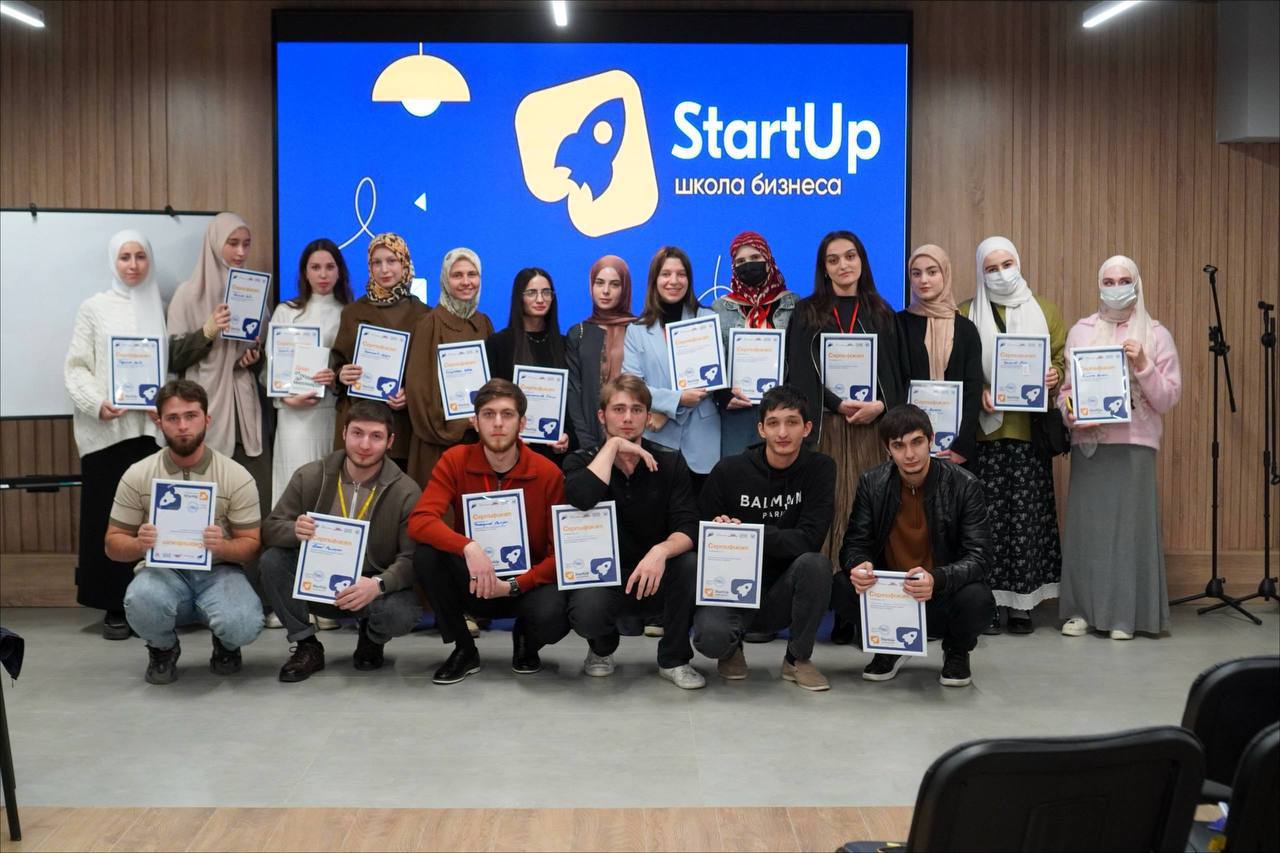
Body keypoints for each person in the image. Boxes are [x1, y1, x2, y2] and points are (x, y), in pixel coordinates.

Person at [63, 230, 193, 640]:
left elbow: (171, 369)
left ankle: (151, 604)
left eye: (140, 256)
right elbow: (75, 367)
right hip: (108, 432)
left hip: (150, 433)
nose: (133, 265)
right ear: (113, 262)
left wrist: (166, 407)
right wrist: (98, 402)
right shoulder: (94, 308)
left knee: (150, 521)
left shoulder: (161, 309)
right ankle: (113, 605)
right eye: (125, 257)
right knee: (108, 517)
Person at [408, 379, 568, 684]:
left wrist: (514, 585)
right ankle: (464, 649)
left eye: (507, 414)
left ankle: (527, 638)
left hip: (525, 586)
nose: (497, 423)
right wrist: (467, 547)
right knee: (427, 555)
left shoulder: (548, 473)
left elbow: (559, 555)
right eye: (488, 414)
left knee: (557, 609)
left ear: (522, 423)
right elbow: (420, 520)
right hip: (474, 579)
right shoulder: (455, 460)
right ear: (475, 421)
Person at [104, 380, 263, 684]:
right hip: (162, 571)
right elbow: (112, 544)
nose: (182, 426)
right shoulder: (138, 474)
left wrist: (223, 547)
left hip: (219, 571)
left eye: (191, 416)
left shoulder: (236, 476)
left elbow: (252, 544)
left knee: (243, 622)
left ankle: (227, 644)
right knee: (140, 600)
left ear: (207, 419)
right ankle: (163, 648)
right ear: (159, 421)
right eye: (173, 418)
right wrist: (139, 544)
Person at [1058, 256, 1181, 640]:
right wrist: (1072, 414)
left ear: (1137, 284)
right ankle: (1080, 611)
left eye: (1124, 280)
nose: (1116, 288)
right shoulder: (1081, 331)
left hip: (1134, 445)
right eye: (1108, 281)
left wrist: (1143, 363)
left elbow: (1168, 397)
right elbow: (1065, 395)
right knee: (1087, 532)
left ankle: (1125, 616)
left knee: (1129, 535)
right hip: (1091, 446)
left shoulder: (1156, 334)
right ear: (1099, 285)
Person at [258, 401, 423, 681]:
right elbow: (271, 529)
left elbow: (411, 558)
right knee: (273, 561)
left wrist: (378, 584)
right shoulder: (311, 475)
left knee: (402, 612)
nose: (365, 444)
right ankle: (306, 644)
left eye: (376, 436)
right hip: (317, 582)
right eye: (357, 433)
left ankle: (372, 638)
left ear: (390, 441)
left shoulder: (406, 491)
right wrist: (294, 530)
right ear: (344, 433)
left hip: (369, 587)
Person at [559, 374, 704, 689]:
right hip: (604, 578)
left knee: (690, 563)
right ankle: (601, 648)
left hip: (656, 574)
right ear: (602, 416)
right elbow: (581, 498)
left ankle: (675, 659)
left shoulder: (670, 462)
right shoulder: (580, 461)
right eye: (619, 409)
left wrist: (661, 551)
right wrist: (612, 446)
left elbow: (689, 526)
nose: (627, 418)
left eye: (637, 410)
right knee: (586, 611)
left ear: (648, 417)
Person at [833, 404, 994, 687]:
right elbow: (853, 545)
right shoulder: (872, 482)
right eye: (899, 445)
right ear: (888, 449)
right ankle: (890, 646)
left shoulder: (964, 484)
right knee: (841, 585)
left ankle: (956, 651)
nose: (909, 454)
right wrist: (859, 565)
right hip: (891, 594)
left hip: (940, 591)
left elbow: (980, 557)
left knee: (978, 598)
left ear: (931, 440)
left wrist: (937, 578)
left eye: (917, 442)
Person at [693, 385, 835, 691]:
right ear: (761, 429)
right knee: (711, 638)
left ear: (807, 428)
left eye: (792, 422)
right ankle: (731, 649)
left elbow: (809, 540)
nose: (782, 432)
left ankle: (798, 658)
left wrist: (746, 533)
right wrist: (720, 532)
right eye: (773, 423)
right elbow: (701, 536)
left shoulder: (821, 469)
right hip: (731, 591)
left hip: (783, 591)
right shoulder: (728, 471)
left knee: (816, 564)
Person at [959, 236, 1066, 635]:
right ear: (980, 272)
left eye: (1007, 264)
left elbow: (1061, 359)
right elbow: (959, 366)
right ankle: (984, 603)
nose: (1001, 273)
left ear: (1018, 263)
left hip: (1028, 434)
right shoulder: (966, 312)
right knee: (982, 522)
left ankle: (1022, 605)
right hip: (982, 434)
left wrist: (1055, 375)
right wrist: (978, 392)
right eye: (991, 268)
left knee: (1025, 521)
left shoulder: (1045, 310)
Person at [787, 230, 907, 565]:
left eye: (850, 256)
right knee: (828, 506)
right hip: (825, 428)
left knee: (868, 507)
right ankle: (826, 583)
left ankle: (866, 579)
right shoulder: (806, 312)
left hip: (871, 430)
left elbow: (897, 373)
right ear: (824, 269)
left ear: (862, 261)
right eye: (833, 259)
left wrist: (881, 405)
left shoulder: (882, 312)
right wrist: (835, 403)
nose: (843, 265)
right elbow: (799, 371)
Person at [167, 213, 272, 513]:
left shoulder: (253, 291)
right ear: (214, 243)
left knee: (250, 497)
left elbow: (262, 351)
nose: (240, 252)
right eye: (232, 243)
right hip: (206, 403)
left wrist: (254, 358)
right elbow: (174, 357)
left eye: (246, 244)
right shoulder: (188, 294)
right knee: (206, 498)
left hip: (244, 409)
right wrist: (208, 330)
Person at [622, 246, 721, 492]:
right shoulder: (636, 330)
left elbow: (710, 377)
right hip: (657, 441)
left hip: (702, 443)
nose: (674, 281)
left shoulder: (706, 318)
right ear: (654, 280)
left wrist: (668, 411)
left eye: (681, 274)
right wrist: (677, 400)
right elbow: (633, 387)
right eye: (666, 274)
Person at [331, 233, 430, 475]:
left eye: (392, 261)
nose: (384, 269)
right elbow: (338, 361)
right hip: (360, 421)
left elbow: (428, 372)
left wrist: (411, 393)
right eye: (377, 262)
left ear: (404, 263)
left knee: (399, 492)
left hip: (403, 426)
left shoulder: (425, 314)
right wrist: (341, 374)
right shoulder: (352, 312)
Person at [265, 238, 349, 508]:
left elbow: (348, 364)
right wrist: (285, 398)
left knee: (326, 484)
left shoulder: (348, 313)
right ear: (304, 272)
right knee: (292, 483)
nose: (323, 275)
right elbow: (270, 366)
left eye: (330, 267)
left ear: (340, 271)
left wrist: (335, 377)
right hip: (292, 413)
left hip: (329, 411)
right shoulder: (286, 312)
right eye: (315, 267)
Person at [405, 247, 495, 487]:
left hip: (479, 442)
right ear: (445, 279)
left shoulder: (484, 323)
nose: (466, 282)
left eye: (472, 274)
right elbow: (419, 391)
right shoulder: (429, 324)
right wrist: (459, 423)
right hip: (438, 445)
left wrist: (485, 419)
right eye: (457, 275)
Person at [709, 231, 798, 457]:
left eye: (755, 258)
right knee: (738, 472)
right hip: (738, 413)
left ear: (768, 261)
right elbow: (712, 360)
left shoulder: (794, 304)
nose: (748, 265)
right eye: (740, 262)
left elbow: (801, 360)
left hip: (783, 411)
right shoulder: (719, 308)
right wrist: (722, 394)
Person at [897, 244, 983, 470]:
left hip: (955, 449)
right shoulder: (897, 324)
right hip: (907, 446)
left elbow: (973, 390)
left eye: (932, 272)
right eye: (916, 273)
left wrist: (963, 444)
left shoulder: (966, 329)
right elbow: (895, 384)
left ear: (945, 273)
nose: (923, 280)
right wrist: (902, 441)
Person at [486, 267, 571, 462]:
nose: (540, 299)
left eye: (546, 292)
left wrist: (568, 436)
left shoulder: (565, 344)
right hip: (510, 452)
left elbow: (572, 402)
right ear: (519, 297)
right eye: (531, 293)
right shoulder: (499, 344)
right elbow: (491, 399)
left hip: (555, 454)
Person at [566, 255, 636, 452]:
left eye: (614, 284)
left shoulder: (639, 330)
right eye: (599, 283)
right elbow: (573, 391)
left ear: (625, 288)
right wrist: (586, 442)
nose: (605, 291)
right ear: (591, 286)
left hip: (635, 439)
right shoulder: (578, 332)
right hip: (588, 443)